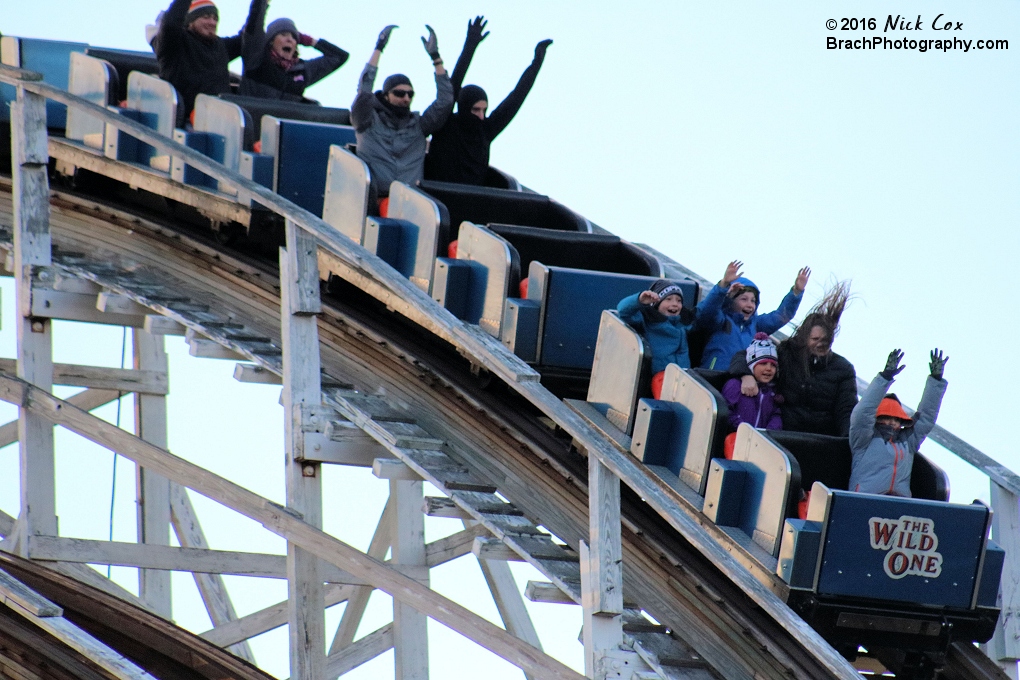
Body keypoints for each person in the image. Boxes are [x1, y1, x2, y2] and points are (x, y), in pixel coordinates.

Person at [424, 16, 552, 185]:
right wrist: (470, 45)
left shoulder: (485, 130)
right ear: (464, 106)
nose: (481, 116)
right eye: (476, 110)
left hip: (473, 202)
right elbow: (454, 84)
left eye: (484, 110)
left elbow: (516, 97)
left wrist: (536, 64)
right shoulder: (446, 121)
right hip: (439, 198)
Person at [729, 282, 857, 436]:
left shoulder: (843, 369)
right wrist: (746, 375)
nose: (821, 344)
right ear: (804, 338)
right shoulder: (786, 352)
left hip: (819, 440)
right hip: (783, 432)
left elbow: (846, 411)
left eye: (825, 340)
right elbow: (743, 355)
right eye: (815, 339)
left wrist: (847, 441)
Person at [351, 25, 454, 210]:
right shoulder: (367, 121)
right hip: (376, 201)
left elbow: (445, 101)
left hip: (413, 204)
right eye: (399, 93)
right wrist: (379, 47)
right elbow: (364, 91)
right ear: (386, 95)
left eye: (410, 94)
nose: (406, 98)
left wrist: (436, 58)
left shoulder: (419, 126)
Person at [848, 349, 948, 497]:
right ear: (876, 419)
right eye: (886, 417)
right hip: (864, 501)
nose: (891, 422)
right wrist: (885, 377)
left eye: (896, 419)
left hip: (899, 507)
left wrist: (936, 380)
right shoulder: (863, 440)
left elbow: (926, 417)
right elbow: (863, 413)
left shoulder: (907, 442)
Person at [155, 0, 260, 120]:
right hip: (188, 122)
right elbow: (171, 23)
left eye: (215, 18)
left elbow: (249, 37)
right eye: (206, 17)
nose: (212, 22)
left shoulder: (221, 47)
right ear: (190, 21)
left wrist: (260, 3)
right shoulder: (175, 45)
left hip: (225, 119)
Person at [695, 260, 809, 370]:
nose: (750, 305)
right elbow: (708, 310)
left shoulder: (755, 325)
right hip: (713, 376)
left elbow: (781, 316)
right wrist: (723, 285)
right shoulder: (720, 320)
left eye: (753, 301)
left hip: (741, 381)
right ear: (731, 300)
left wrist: (796, 293)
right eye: (744, 299)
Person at [239, 2, 349, 102]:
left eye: (294, 37)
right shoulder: (257, 59)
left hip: (285, 122)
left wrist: (311, 41)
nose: (290, 39)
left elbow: (340, 57)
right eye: (283, 35)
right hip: (253, 120)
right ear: (271, 42)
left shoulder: (302, 71)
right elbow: (254, 23)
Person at [616, 280, 693, 399]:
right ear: (656, 303)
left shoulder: (683, 324)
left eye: (678, 300)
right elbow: (623, 311)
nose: (675, 304)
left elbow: (706, 310)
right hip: (659, 377)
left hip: (683, 378)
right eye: (668, 299)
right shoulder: (647, 321)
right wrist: (639, 300)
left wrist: (722, 286)